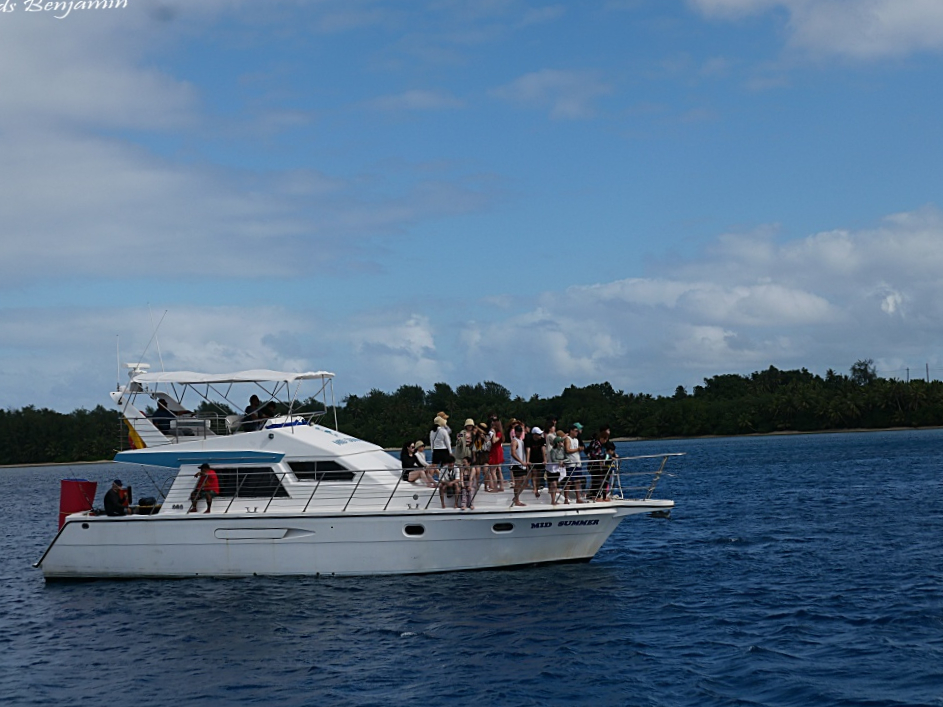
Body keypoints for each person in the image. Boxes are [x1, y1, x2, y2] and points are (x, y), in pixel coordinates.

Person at [562, 423, 587, 504]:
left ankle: (578, 498)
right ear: (571, 431)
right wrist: (577, 449)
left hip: (577, 462)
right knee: (569, 481)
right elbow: (567, 450)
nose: (577, 432)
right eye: (575, 431)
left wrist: (580, 449)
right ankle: (566, 498)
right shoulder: (568, 439)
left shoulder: (576, 440)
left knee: (578, 481)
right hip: (571, 463)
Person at [585, 424, 611, 501]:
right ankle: (594, 496)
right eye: (605, 439)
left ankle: (601, 495)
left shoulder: (601, 444)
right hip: (594, 465)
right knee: (596, 480)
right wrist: (603, 458)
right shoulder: (596, 444)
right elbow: (595, 454)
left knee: (601, 480)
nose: (605, 441)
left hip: (600, 465)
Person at [509, 424, 528, 507]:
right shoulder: (514, 441)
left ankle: (516, 497)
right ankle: (517, 500)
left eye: (521, 431)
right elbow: (513, 453)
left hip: (522, 465)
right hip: (517, 464)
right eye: (518, 431)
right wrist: (521, 461)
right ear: (515, 432)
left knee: (525, 482)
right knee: (518, 482)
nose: (520, 433)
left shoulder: (521, 441)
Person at [525, 426, 546, 498]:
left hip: (540, 458)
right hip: (532, 458)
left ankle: (537, 487)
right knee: (534, 474)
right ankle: (534, 488)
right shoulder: (529, 440)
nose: (540, 436)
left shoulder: (542, 440)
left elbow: (543, 449)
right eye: (538, 434)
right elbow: (528, 450)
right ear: (534, 435)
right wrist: (527, 461)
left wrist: (545, 459)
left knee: (539, 475)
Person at [486, 416, 505, 492]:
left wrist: (493, 433)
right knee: (498, 469)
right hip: (496, 450)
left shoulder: (498, 433)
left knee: (493, 471)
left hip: (496, 451)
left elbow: (494, 441)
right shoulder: (499, 432)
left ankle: (495, 487)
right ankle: (501, 486)